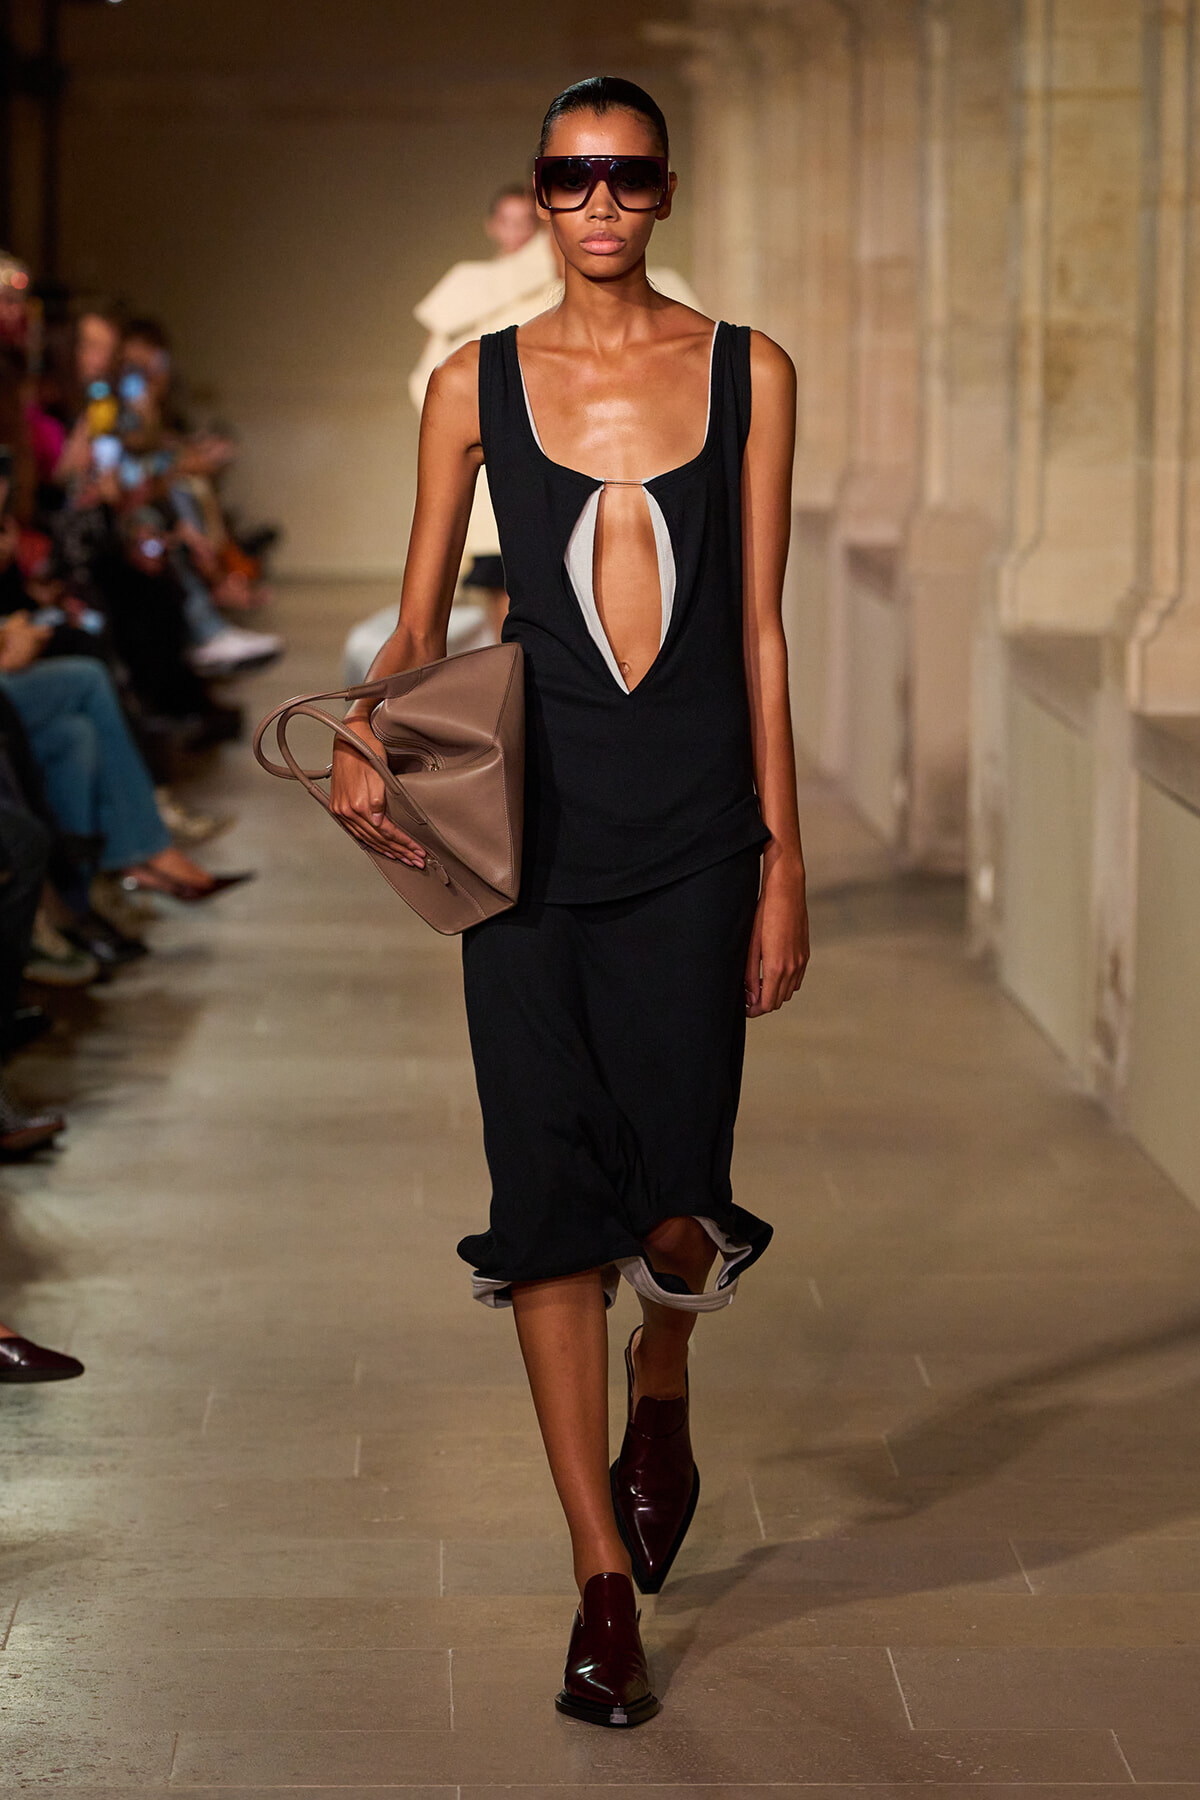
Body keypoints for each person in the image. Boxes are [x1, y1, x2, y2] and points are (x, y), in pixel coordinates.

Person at [330, 76, 809, 1727]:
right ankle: (601, 1578)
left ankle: (660, 1379)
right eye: (569, 175)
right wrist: (365, 733)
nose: (597, 200)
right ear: (538, 195)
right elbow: (414, 620)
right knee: (547, 1198)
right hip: (525, 844)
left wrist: (784, 862)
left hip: (693, 834)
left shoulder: (749, 371)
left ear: (665, 192)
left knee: (677, 1194)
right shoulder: (472, 383)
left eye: (626, 175)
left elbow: (758, 633)